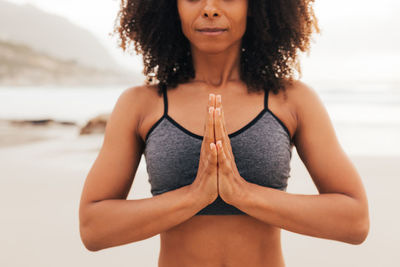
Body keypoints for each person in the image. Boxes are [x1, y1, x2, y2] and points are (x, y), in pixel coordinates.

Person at [79, 0, 370, 266]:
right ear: (171, 7)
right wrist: (195, 196)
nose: (210, 9)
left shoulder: (291, 100)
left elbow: (354, 220)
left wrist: (243, 194)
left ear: (255, 6)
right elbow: (94, 228)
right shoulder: (141, 105)